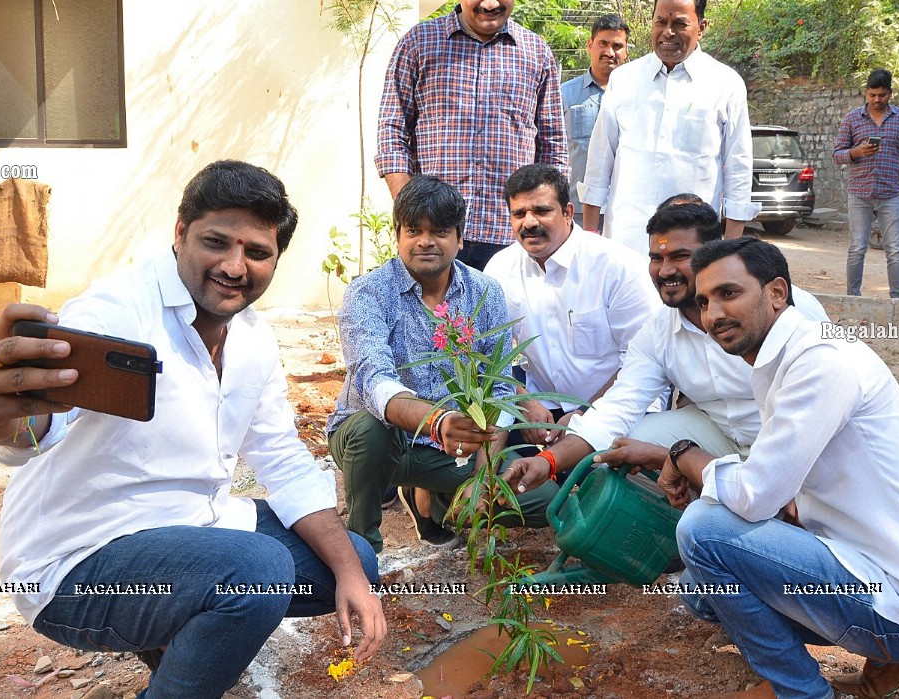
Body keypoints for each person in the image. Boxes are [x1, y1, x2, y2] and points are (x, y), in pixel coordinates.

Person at [0, 161, 385, 699]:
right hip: (78, 563)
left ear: (276, 259)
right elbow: (36, 426)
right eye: (217, 242)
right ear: (181, 232)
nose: (235, 266)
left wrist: (351, 574)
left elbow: (282, 459)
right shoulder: (115, 313)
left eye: (257, 252)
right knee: (256, 573)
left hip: (192, 529)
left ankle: (174, 628)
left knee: (353, 561)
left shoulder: (253, 340)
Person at [660, 237, 899, 699]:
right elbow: (775, 487)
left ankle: (801, 691)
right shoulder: (793, 352)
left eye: (729, 293)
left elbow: (755, 495)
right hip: (877, 573)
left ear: (777, 292)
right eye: (704, 302)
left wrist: (685, 454)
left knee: (703, 531)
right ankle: (880, 654)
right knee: (700, 592)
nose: (713, 314)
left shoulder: (821, 362)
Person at [501, 202, 827, 496]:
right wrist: (548, 461)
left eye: (680, 256)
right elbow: (616, 409)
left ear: (713, 254)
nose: (665, 270)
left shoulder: (775, 303)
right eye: (656, 258)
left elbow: (826, 403)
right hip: (720, 435)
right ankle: (672, 528)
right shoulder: (658, 331)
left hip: (795, 445)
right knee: (613, 449)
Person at [328, 176, 557, 553]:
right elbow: (374, 380)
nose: (425, 241)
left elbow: (498, 387)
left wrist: (482, 478)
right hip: (384, 443)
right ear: (397, 235)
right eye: (413, 230)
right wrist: (437, 421)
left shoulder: (484, 291)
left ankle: (433, 501)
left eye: (440, 231)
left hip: (456, 447)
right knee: (373, 430)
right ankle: (362, 542)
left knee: (539, 501)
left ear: (460, 238)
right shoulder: (368, 292)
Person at [376, 0, 567, 271]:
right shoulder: (418, 45)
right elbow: (391, 133)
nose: (490, 3)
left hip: (512, 235)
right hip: (435, 233)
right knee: (432, 323)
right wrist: (410, 209)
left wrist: (544, 220)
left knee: (508, 324)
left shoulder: (537, 53)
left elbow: (552, 147)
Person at [579, 0, 757, 253]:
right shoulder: (624, 81)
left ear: (702, 27)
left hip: (695, 247)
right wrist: (590, 237)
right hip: (626, 240)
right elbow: (600, 161)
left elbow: (738, 169)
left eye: (680, 24)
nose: (668, 32)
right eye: (660, 22)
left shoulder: (725, 84)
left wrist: (729, 250)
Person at [484, 164, 657, 443]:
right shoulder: (501, 267)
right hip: (539, 408)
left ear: (567, 212)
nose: (529, 223)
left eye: (541, 211)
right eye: (519, 214)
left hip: (618, 404)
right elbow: (487, 353)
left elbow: (642, 362)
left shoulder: (617, 266)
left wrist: (585, 413)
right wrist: (524, 401)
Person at [833, 68, 899, 299]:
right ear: (866, 93)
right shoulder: (852, 118)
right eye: (872, 95)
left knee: (895, 250)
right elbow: (837, 154)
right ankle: (852, 298)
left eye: (882, 95)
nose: (877, 100)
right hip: (859, 194)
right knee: (857, 248)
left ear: (890, 94)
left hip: (890, 194)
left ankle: (898, 300)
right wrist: (856, 151)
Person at [560, 14, 630, 213]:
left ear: (625, 50)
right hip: (576, 209)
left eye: (617, 46)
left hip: (622, 210)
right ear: (589, 45)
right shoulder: (564, 94)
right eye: (603, 43)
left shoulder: (637, 97)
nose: (609, 52)